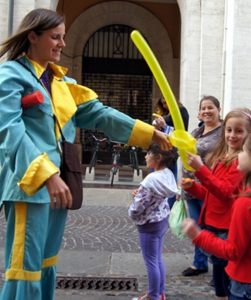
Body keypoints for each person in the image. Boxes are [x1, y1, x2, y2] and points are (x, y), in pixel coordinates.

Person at [0, 9, 172, 300]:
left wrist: (149, 133)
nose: (62, 45)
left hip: (60, 186)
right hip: (29, 187)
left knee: (46, 263)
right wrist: (47, 174)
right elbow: (9, 131)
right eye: (55, 37)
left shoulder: (61, 83)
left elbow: (102, 115)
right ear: (33, 36)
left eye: (64, 37)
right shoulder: (10, 75)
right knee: (25, 269)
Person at [182, 130, 251, 300]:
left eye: (243, 151)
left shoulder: (247, 202)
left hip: (249, 286)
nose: (239, 154)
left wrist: (198, 235)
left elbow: (233, 251)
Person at [181, 108, 251, 300]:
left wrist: (200, 169)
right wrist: (193, 188)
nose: (232, 135)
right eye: (229, 130)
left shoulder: (241, 160)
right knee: (219, 277)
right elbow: (212, 193)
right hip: (214, 223)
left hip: (225, 227)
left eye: (239, 131)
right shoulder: (223, 158)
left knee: (225, 276)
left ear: (249, 133)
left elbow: (223, 192)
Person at [128, 142, 178, 300]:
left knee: (151, 261)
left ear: (159, 157)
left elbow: (138, 207)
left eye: (148, 153)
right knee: (157, 258)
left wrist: (132, 207)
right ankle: (159, 293)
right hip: (161, 221)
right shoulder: (167, 174)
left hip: (149, 224)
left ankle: (154, 296)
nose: (145, 156)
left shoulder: (150, 180)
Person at [181, 96, 222, 277]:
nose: (206, 111)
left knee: (212, 227)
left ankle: (220, 269)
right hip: (190, 187)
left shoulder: (222, 134)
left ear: (218, 110)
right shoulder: (197, 131)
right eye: (203, 108)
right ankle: (199, 263)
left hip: (208, 188)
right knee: (197, 226)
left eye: (210, 108)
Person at [153, 94, 189, 209]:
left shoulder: (181, 110)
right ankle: (162, 204)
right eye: (163, 104)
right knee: (158, 175)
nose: (165, 105)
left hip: (171, 148)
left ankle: (169, 205)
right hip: (161, 148)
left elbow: (180, 128)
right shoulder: (165, 114)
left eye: (166, 102)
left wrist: (164, 124)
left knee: (170, 177)